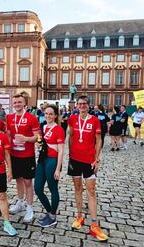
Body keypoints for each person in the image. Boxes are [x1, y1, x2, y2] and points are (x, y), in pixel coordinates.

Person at [68, 95, 108, 242]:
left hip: (89, 160)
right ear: (77, 106)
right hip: (75, 159)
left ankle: (94, 225)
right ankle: (79, 217)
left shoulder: (95, 120)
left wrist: (97, 159)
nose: (82, 106)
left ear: (88, 105)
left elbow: (99, 140)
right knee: (77, 188)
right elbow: (71, 136)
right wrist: (70, 154)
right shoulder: (72, 119)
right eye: (80, 104)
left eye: (84, 103)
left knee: (91, 191)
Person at [7, 94, 40, 223]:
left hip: (27, 155)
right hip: (15, 154)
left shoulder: (32, 118)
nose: (17, 105)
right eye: (15, 103)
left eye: (19, 102)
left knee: (28, 182)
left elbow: (37, 137)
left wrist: (26, 139)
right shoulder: (9, 117)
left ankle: (30, 208)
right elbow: (9, 134)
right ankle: (20, 203)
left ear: (24, 103)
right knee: (18, 180)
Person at [34, 105, 65, 227]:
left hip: (52, 161)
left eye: (51, 114)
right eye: (46, 113)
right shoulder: (44, 127)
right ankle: (49, 211)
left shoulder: (59, 129)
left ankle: (53, 216)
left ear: (55, 115)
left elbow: (61, 151)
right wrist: (38, 144)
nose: (48, 116)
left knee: (53, 189)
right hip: (42, 160)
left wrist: (58, 169)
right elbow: (40, 142)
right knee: (38, 188)